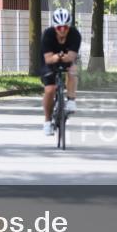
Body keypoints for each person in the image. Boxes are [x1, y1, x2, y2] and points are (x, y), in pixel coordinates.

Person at [40, 8, 81, 136]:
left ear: (69, 27)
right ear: (54, 27)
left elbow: (71, 57)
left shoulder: (75, 34)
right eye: (59, 27)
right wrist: (58, 57)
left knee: (73, 69)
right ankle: (47, 122)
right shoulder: (48, 34)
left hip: (65, 60)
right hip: (49, 62)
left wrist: (61, 57)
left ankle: (71, 100)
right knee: (50, 89)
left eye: (65, 27)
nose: (62, 30)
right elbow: (48, 58)